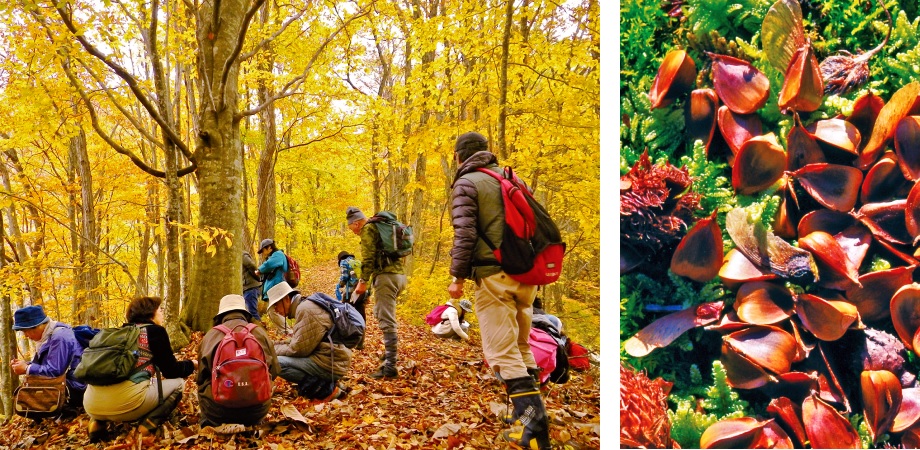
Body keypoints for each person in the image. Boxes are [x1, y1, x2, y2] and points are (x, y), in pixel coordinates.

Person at [447, 131, 551, 449]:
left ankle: (534, 426)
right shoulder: (510, 177)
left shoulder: (467, 183)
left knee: (502, 352)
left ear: (460, 156)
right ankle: (530, 418)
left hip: (494, 276)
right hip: (526, 275)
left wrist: (457, 276)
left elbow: (465, 232)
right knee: (521, 347)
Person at [83, 296, 197, 442]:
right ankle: (147, 425)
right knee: (179, 384)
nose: (162, 313)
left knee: (108, 385)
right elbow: (171, 371)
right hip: (127, 405)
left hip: (90, 404)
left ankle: (97, 423)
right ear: (150, 314)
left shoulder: (116, 333)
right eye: (159, 310)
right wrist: (191, 364)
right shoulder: (155, 332)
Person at [197, 294, 280, 427]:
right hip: (257, 411)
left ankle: (209, 421)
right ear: (245, 314)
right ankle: (252, 419)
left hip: (218, 412)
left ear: (220, 315)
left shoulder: (210, 336)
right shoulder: (260, 332)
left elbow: (201, 378)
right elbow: (275, 371)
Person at [347, 206, 407, 379]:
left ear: (356, 223)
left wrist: (363, 282)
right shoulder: (380, 227)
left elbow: (368, 259)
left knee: (386, 318)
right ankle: (389, 355)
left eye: (351, 227)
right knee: (382, 313)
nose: (352, 231)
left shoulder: (368, 229)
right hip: (399, 276)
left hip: (386, 278)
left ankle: (390, 367)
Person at [266, 281, 351, 401]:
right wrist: (271, 345)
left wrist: (271, 351)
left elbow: (298, 349)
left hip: (330, 363)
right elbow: (300, 341)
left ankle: (326, 391)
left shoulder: (305, 310)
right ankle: (331, 383)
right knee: (278, 357)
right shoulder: (306, 305)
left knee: (277, 363)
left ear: (285, 299)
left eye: (276, 305)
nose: (276, 310)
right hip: (332, 358)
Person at [10, 305, 86, 411]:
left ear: (37, 326)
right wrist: (25, 365)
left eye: (25, 331)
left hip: (76, 388)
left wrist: (27, 369)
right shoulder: (47, 337)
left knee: (30, 389)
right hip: (67, 384)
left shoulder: (60, 337)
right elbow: (47, 365)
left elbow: (55, 371)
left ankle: (63, 412)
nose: (26, 336)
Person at [335, 251, 367, 349]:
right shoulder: (356, 261)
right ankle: (361, 343)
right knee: (361, 314)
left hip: (351, 293)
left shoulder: (344, 262)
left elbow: (344, 277)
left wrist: (339, 285)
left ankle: (345, 340)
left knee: (344, 314)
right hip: (362, 292)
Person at [255, 239, 289, 329]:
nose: (263, 253)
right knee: (276, 311)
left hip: (278, 287)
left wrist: (259, 270)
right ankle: (284, 331)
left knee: (273, 311)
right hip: (275, 287)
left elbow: (269, 264)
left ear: (269, 247)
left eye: (263, 250)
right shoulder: (274, 256)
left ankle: (287, 331)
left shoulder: (278, 255)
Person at [242, 251, 263, 321]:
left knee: (252, 313)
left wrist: (258, 277)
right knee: (249, 312)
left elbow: (251, 265)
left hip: (251, 287)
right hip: (247, 288)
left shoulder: (241, 254)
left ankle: (260, 330)